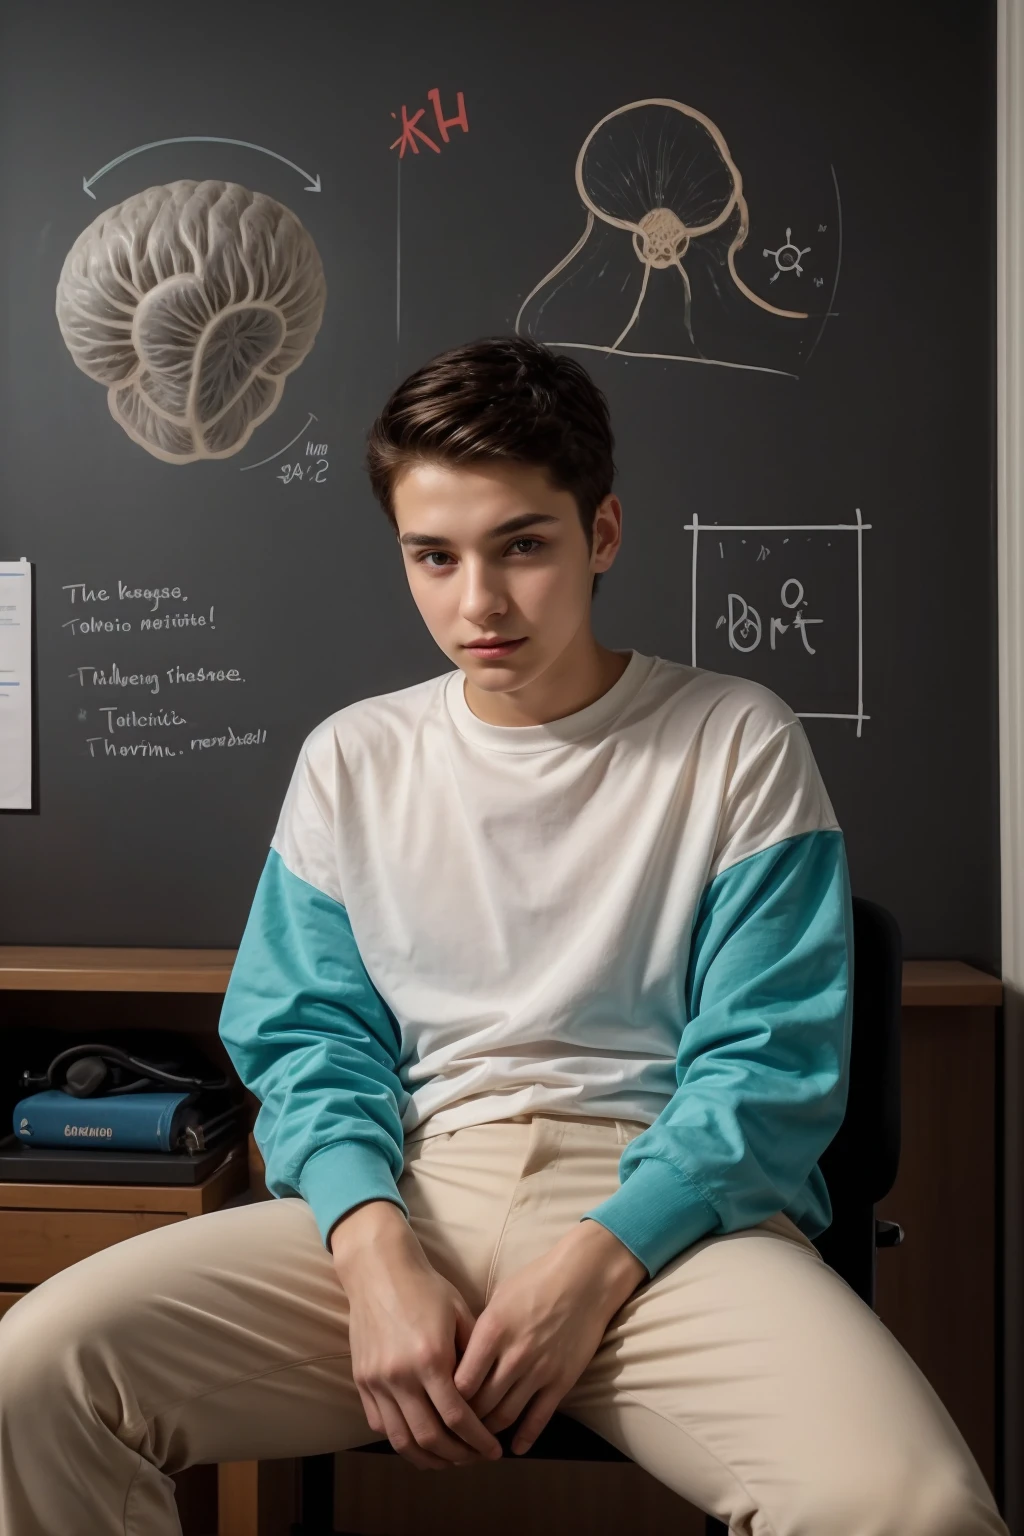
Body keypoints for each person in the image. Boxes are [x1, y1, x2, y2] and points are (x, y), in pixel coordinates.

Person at [0, 337, 1007, 1536]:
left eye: (521, 545)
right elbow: (306, 1038)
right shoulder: (353, 758)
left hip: (671, 1224)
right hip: (411, 1188)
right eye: (434, 556)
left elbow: (767, 1066)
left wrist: (593, 1271)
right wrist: (375, 1259)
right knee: (35, 1374)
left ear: (604, 534)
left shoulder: (735, 738)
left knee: (914, 1508)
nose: (476, 602)